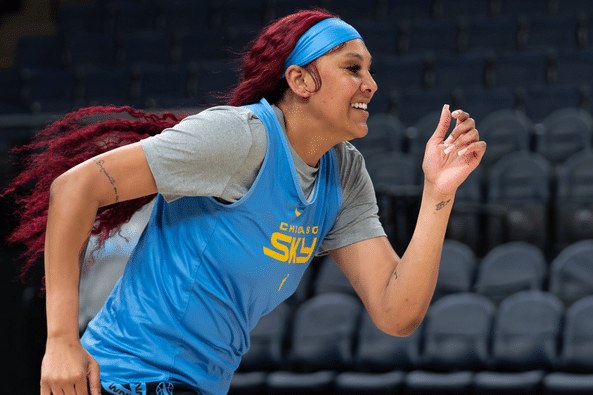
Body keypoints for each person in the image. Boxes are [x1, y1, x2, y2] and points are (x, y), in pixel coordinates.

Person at [4, 8, 485, 395]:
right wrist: (61, 342)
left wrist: (438, 194)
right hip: (126, 377)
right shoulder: (240, 138)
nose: (371, 83)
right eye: (352, 68)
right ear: (300, 81)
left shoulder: (345, 173)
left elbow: (396, 311)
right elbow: (73, 188)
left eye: (370, 70)